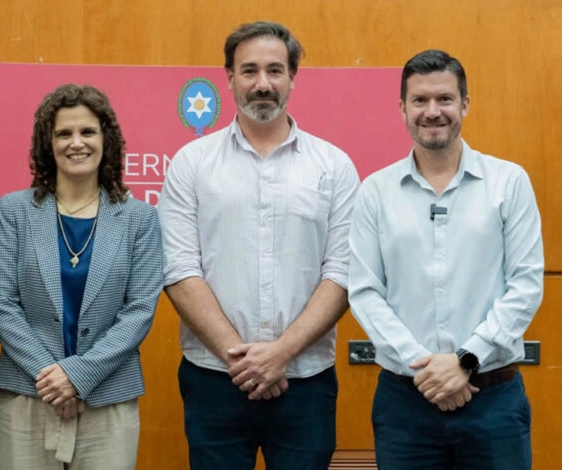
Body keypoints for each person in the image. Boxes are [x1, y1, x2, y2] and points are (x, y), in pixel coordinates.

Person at [158, 21, 360, 470]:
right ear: (228, 78)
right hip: (214, 379)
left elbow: (342, 272)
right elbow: (178, 268)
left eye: (275, 70)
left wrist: (281, 353)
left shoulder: (334, 166)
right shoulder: (192, 164)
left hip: (306, 382)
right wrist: (243, 361)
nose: (262, 84)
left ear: (293, 77)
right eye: (249, 71)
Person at [348, 49, 543, 469]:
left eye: (445, 99)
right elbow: (364, 292)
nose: (432, 112)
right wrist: (428, 371)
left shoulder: (509, 183)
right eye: (419, 100)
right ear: (402, 108)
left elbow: (525, 285)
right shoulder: (374, 192)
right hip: (405, 405)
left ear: (465, 104)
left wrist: (466, 361)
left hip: (494, 402)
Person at [0, 84, 163, 469]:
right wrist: (52, 379)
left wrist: (78, 376)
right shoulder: (14, 211)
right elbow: (1, 304)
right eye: (63, 133)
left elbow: (139, 311)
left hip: (108, 397)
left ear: (106, 139)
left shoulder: (140, 219)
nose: (75, 143)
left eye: (87, 132)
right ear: (47, 144)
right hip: (28, 395)